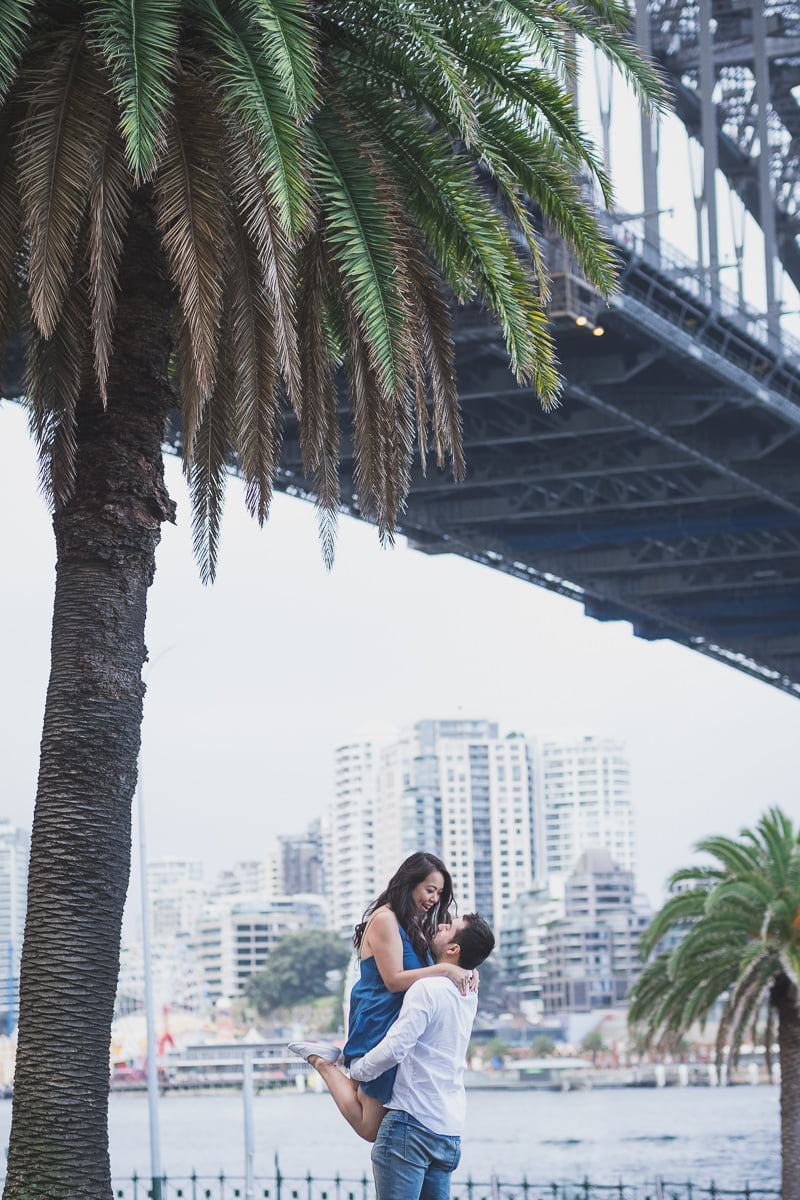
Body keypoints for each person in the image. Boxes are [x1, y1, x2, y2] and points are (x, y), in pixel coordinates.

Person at [288, 852, 474, 1141]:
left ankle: (331, 1060)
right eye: (430, 890)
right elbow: (394, 981)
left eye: (439, 893)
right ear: (409, 883)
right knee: (370, 1127)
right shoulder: (385, 920)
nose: (435, 899)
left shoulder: (413, 925)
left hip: (396, 1023)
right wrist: (444, 971)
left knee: (377, 1112)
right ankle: (322, 1062)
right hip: (378, 1021)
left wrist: (461, 969)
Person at [350, 913, 495, 1200]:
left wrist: (358, 1070)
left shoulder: (427, 988)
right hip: (449, 1131)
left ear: (454, 949)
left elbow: (395, 1048)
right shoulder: (469, 991)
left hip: (411, 1125)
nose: (440, 926)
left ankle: (321, 1063)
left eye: (448, 927)